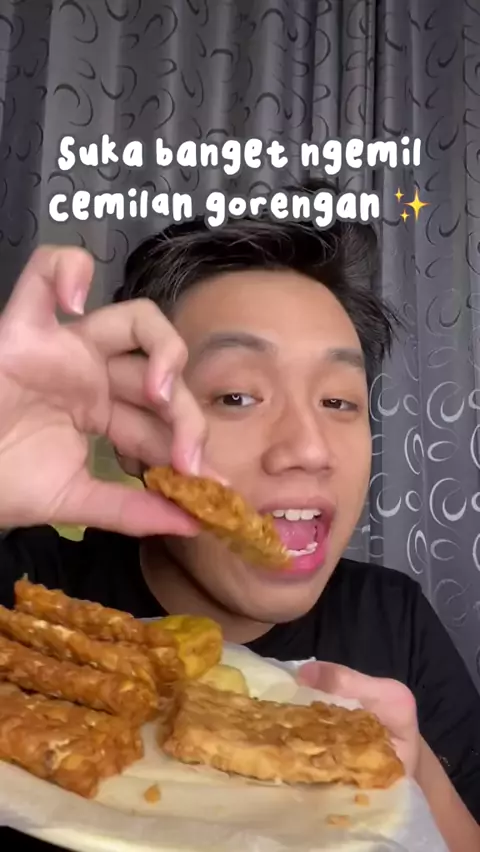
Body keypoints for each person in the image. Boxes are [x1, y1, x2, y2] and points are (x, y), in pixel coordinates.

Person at [0, 205, 479, 852]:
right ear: (132, 431)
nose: (309, 448)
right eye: (237, 397)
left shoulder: (395, 621)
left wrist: (417, 773)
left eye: (339, 401)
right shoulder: (27, 592)